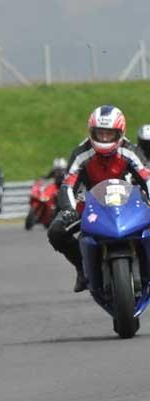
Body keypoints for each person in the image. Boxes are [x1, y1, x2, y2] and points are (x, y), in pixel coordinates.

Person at [48, 105, 150, 292]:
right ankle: (82, 268)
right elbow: (67, 185)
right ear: (91, 132)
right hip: (90, 202)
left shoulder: (130, 150)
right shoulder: (81, 153)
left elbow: (147, 178)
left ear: (120, 133)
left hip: (127, 202)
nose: (103, 138)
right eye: (99, 133)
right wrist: (69, 209)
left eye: (109, 134)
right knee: (56, 231)